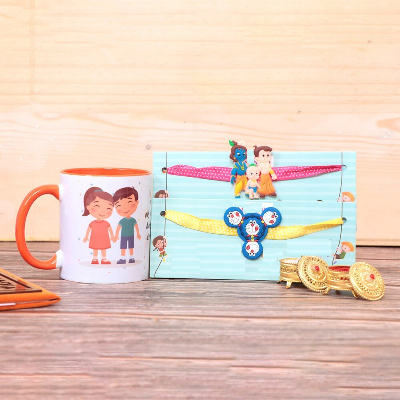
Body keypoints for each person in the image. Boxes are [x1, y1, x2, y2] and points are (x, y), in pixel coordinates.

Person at [82, 187, 115, 265]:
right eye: (97, 206)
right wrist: (86, 237)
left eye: (108, 208)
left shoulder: (106, 223)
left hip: (104, 238)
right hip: (95, 238)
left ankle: (104, 259)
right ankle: (95, 259)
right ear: (88, 207)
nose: (103, 211)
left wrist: (112, 237)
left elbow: (110, 229)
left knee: (104, 248)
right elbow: (88, 229)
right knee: (95, 248)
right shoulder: (92, 223)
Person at [113, 187, 141, 264]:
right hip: (123, 236)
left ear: (137, 202)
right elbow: (118, 228)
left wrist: (138, 234)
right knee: (123, 247)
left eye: (129, 202)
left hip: (131, 235)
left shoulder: (133, 220)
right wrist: (116, 236)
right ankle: (123, 258)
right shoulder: (122, 221)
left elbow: (136, 227)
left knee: (131, 246)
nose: (124, 207)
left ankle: (131, 258)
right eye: (119, 205)